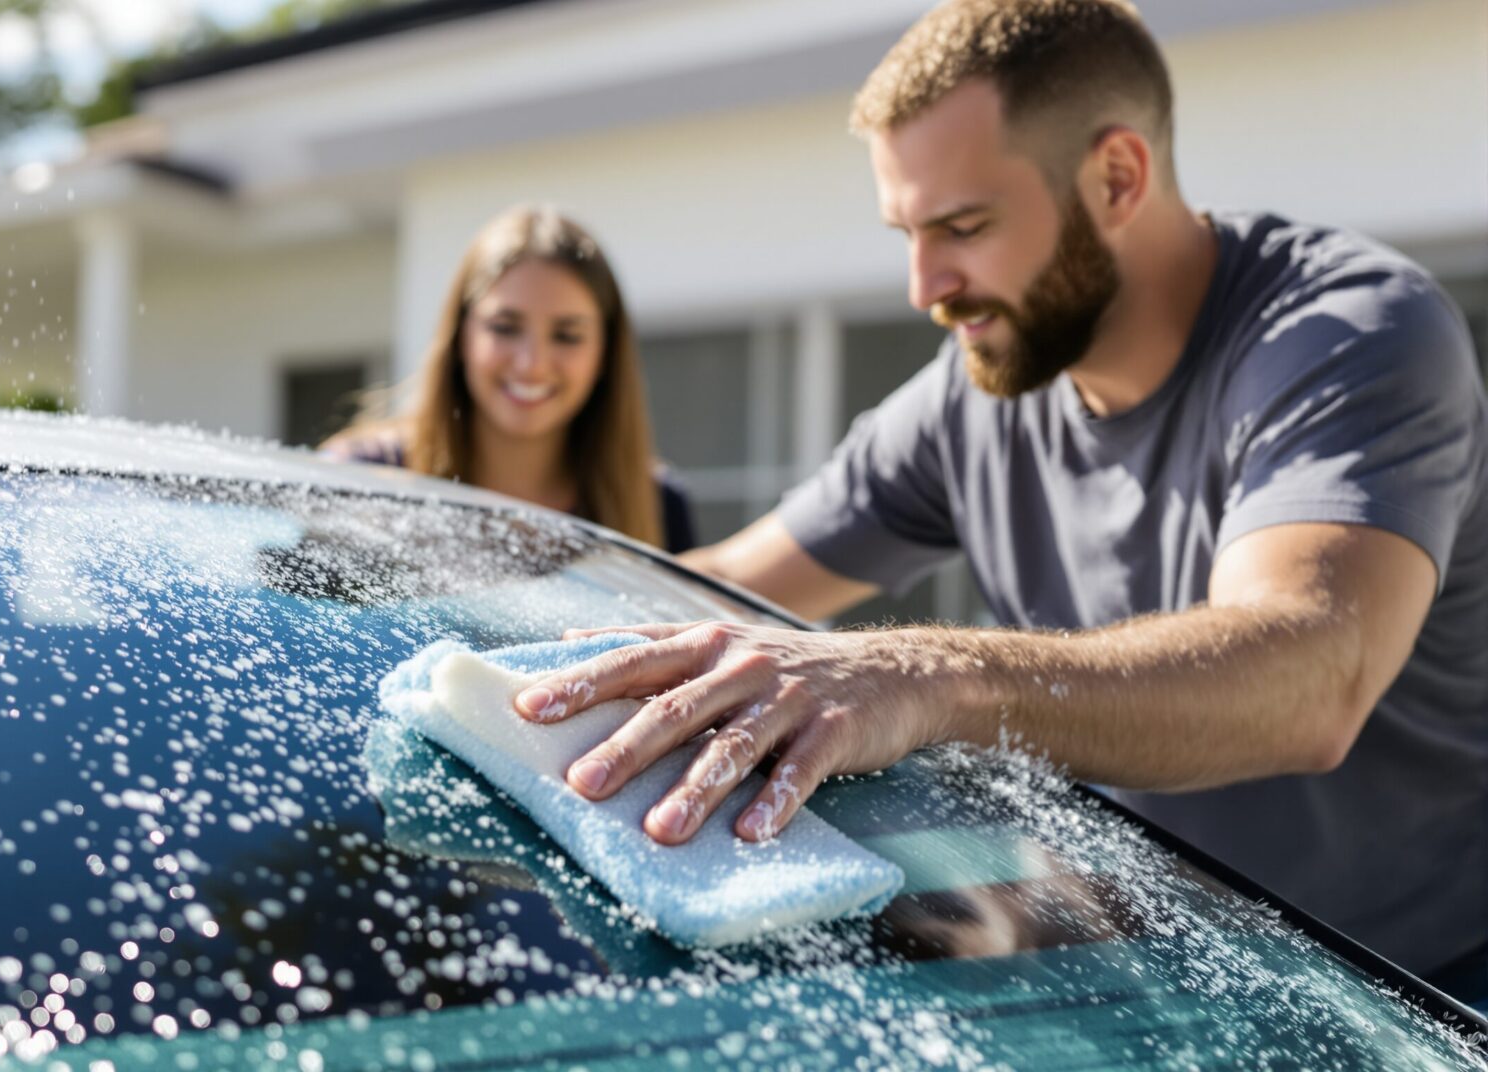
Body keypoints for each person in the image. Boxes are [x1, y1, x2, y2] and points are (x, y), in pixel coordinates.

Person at [505, 0, 1488, 998]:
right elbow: (716, 585)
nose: (924, 284)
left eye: (964, 227)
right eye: (907, 232)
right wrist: (490, 656)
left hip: (1422, 998)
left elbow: (1312, 674)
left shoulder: (1349, 337)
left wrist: (928, 678)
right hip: (1146, 973)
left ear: (1117, 178)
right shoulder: (975, 397)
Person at [325, 204, 695, 553]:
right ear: (460, 336)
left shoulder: (659, 505)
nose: (532, 364)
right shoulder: (361, 479)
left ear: (606, 353)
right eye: (504, 328)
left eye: (567, 336)